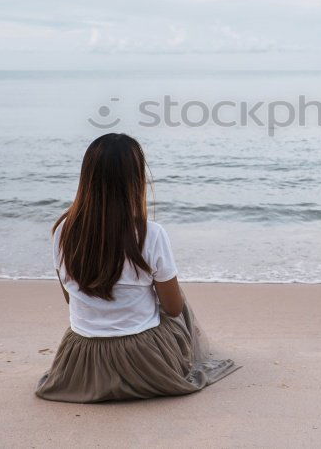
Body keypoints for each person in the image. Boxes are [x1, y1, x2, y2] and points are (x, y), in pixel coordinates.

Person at [35, 133, 239, 403]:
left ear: (87, 178)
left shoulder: (63, 231)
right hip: (143, 359)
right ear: (136, 180)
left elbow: (70, 298)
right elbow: (173, 309)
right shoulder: (150, 234)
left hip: (81, 360)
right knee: (178, 298)